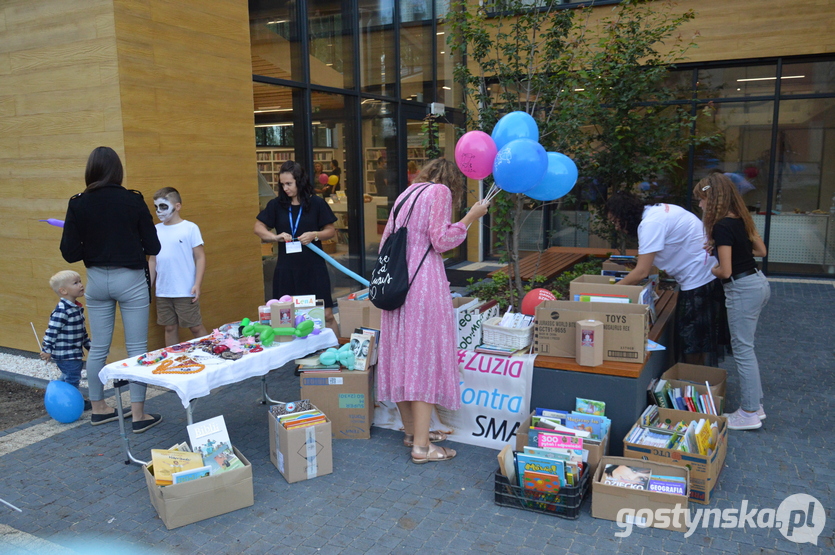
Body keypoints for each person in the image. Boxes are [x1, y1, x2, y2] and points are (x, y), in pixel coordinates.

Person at [376, 158, 490, 463]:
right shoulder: (439, 192)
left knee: (401, 357)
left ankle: (413, 433)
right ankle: (423, 448)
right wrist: (470, 217)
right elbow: (442, 240)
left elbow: (385, 241)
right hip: (423, 283)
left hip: (396, 284)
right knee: (422, 359)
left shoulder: (405, 194)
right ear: (451, 180)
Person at [60, 146, 163, 432]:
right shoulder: (133, 201)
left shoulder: (78, 202)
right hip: (130, 279)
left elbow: (68, 251)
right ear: (117, 171)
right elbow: (153, 246)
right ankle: (139, 415)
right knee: (137, 348)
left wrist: (92, 246)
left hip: (95, 280)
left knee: (98, 349)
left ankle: (99, 408)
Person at [606, 191, 725, 366]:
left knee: (690, 340)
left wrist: (608, 292)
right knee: (698, 339)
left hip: (698, 279)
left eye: (616, 221)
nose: (617, 227)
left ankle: (692, 381)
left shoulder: (650, 224)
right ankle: (696, 378)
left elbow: (642, 272)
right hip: (706, 273)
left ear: (625, 216)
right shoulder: (657, 211)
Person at [693, 173, 770, 431]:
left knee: (743, 350)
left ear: (712, 199)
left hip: (742, 289)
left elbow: (724, 271)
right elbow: (761, 251)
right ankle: (755, 405)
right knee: (747, 348)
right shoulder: (740, 219)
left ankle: (748, 412)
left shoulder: (721, 226)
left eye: (702, 200)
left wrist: (712, 269)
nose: (701, 206)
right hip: (758, 283)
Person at [254, 160, 339, 335]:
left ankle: (337, 353)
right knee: (287, 319)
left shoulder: (316, 203)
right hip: (287, 270)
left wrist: (314, 234)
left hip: (314, 268)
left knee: (327, 315)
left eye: (289, 184)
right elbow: (258, 227)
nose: (285, 188)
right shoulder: (276, 205)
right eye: (282, 184)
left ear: (299, 181)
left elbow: (331, 230)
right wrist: (275, 237)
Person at [148, 187, 208, 348]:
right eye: (156, 207)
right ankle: (172, 360)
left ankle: (211, 349)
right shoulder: (155, 230)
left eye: (163, 206)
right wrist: (149, 285)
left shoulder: (190, 228)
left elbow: (200, 257)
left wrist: (197, 284)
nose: (159, 211)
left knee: (195, 326)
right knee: (169, 327)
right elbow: (153, 260)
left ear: (178, 206)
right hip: (163, 290)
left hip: (185, 289)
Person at [40, 270, 93, 411]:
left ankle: (58, 396)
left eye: (80, 281)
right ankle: (72, 402)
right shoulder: (62, 311)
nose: (81, 285)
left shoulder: (75, 308)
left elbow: (81, 331)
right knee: (73, 378)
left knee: (67, 376)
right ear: (63, 291)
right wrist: (47, 350)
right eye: (75, 283)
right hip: (66, 354)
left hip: (73, 352)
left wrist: (88, 345)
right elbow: (51, 332)